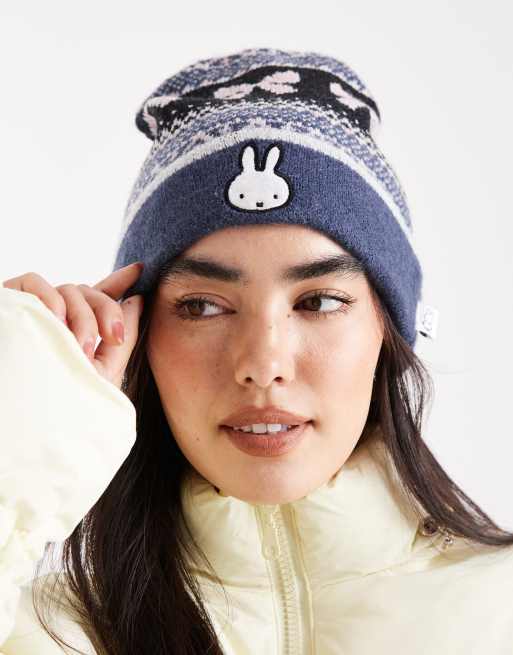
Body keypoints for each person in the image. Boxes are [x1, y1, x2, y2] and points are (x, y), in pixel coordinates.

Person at [1, 47, 513, 655]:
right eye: (201, 306)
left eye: (318, 302)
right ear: (136, 332)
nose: (263, 366)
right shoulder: (44, 630)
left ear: (390, 328)